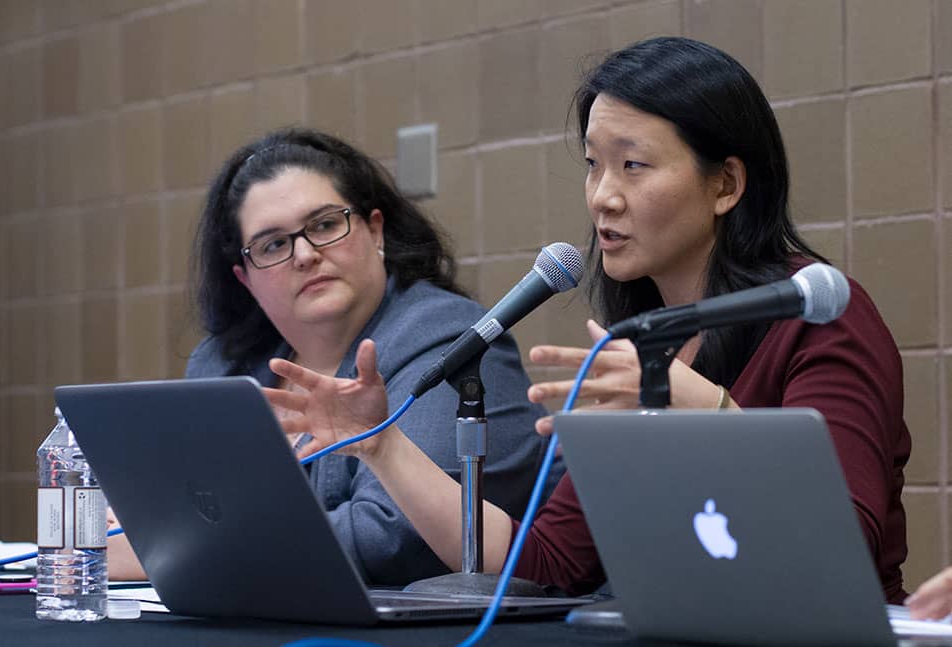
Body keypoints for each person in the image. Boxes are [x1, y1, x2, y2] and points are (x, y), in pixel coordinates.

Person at [265, 37, 911, 603]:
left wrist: (701, 407)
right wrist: (381, 445)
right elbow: (546, 563)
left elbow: (843, 543)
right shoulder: (644, 343)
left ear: (726, 185)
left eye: (633, 164)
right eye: (593, 164)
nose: (603, 195)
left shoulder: (823, 317)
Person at [106, 128, 562, 585]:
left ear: (375, 230)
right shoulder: (224, 365)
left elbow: (393, 538)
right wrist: (139, 525)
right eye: (273, 244)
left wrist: (164, 551)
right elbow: (197, 512)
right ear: (246, 280)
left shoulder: (451, 343)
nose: (304, 254)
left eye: (324, 224)